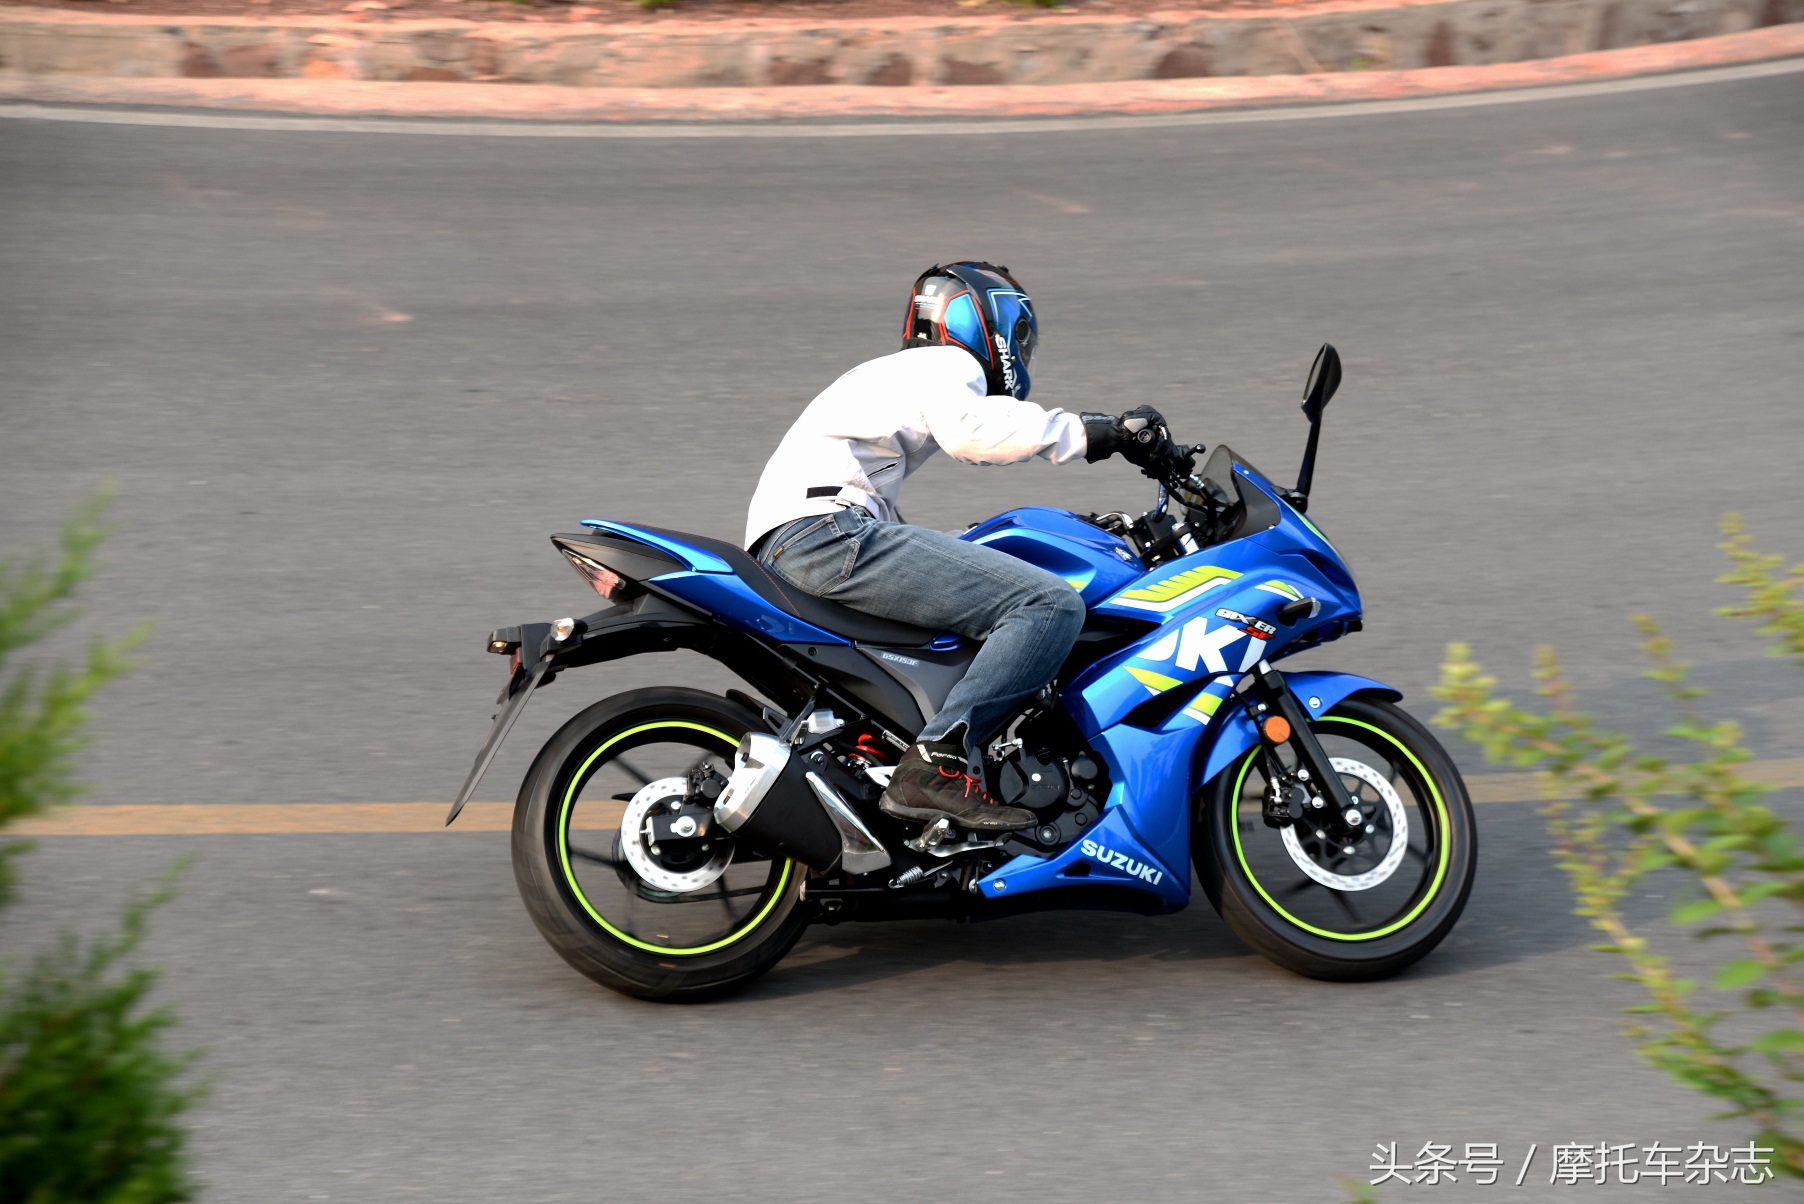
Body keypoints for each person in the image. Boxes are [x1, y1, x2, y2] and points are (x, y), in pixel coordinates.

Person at [745, 262, 1176, 831]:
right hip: (825, 536)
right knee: (1047, 605)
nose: (1021, 351)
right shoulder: (946, 363)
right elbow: (973, 433)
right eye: (1019, 335)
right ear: (984, 319)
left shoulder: (896, 375)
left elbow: (876, 503)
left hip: (809, 537)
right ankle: (936, 764)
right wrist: (1103, 432)